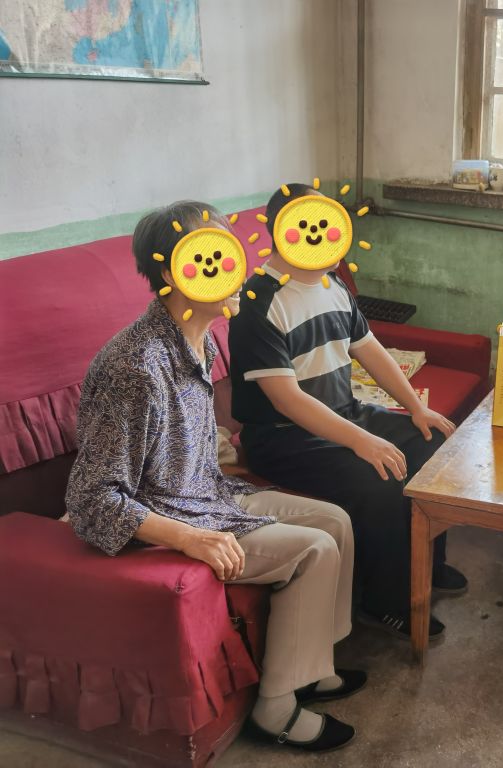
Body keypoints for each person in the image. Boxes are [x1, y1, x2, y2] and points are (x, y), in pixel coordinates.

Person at [65, 202, 364, 752]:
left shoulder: (197, 338)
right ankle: (275, 711)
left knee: (335, 521)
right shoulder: (135, 367)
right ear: (172, 271)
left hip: (211, 494)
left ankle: (312, 667)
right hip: (171, 518)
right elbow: (91, 498)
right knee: (314, 548)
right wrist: (189, 538)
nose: (234, 267)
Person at [228, 183, 464, 641]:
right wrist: (362, 441)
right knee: (380, 478)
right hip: (285, 439)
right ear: (281, 232)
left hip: (346, 412)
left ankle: (428, 565)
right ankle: (385, 602)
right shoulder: (257, 303)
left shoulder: (332, 283)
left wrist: (416, 409)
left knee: (433, 444)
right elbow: (286, 400)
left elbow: (369, 349)